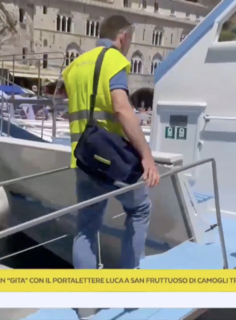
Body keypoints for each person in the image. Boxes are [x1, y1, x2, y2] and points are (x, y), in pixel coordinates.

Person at [62, 15, 160, 319]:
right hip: (113, 160)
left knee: (86, 229)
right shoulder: (114, 60)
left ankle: (87, 308)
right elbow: (121, 108)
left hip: (83, 159)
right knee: (139, 209)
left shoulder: (74, 66)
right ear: (123, 37)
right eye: (129, 40)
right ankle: (130, 291)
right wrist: (146, 155)